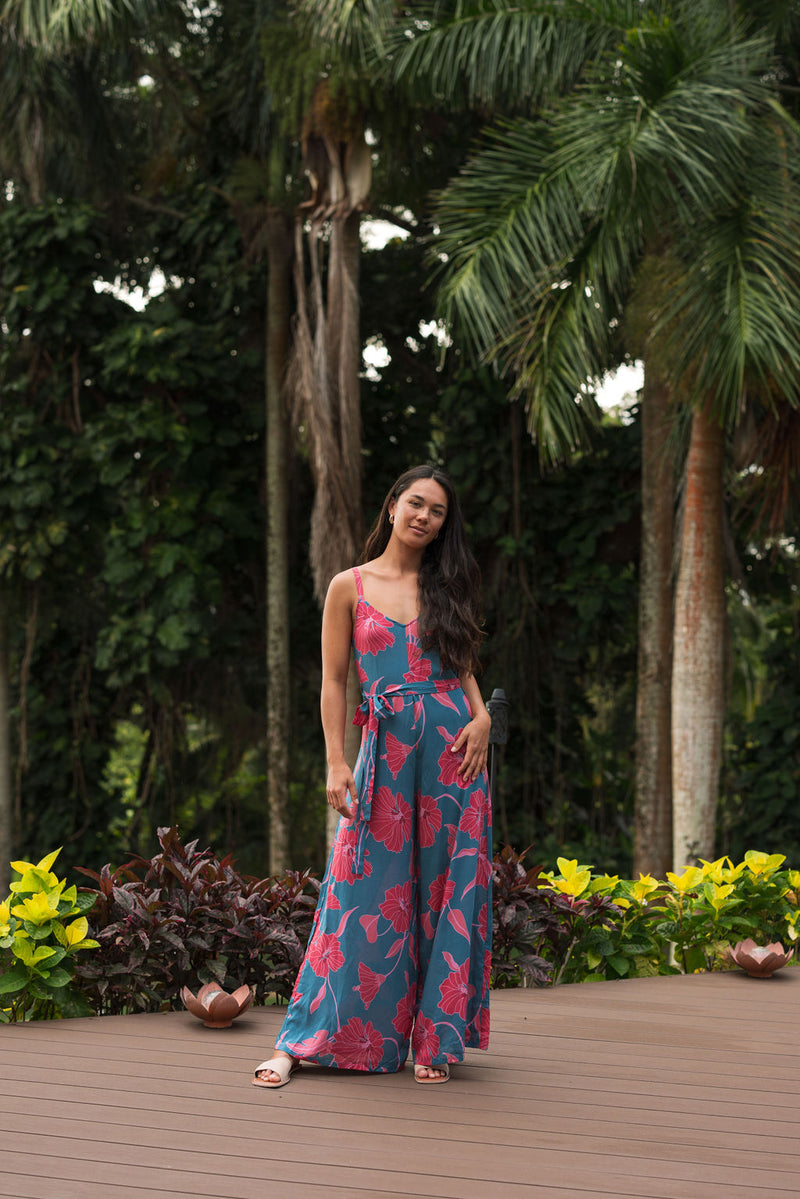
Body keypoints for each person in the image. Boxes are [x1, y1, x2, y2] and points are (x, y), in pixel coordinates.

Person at [253, 464, 492, 1088]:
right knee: (359, 892)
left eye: (437, 512)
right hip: (382, 752)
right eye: (416, 503)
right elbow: (335, 682)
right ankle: (302, 1039)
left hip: (452, 751)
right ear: (392, 506)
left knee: (447, 891)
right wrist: (336, 760)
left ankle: (433, 1039)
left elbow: (462, 664)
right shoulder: (348, 586)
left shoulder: (448, 586)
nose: (424, 517)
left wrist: (484, 714)